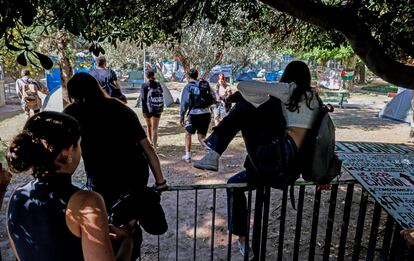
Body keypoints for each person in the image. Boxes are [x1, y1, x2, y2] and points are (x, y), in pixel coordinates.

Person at [193, 61, 319, 256]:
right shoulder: (314, 99)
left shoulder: (289, 89)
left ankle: (214, 151)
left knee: (244, 106)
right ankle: (244, 241)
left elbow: (244, 86)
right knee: (234, 184)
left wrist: (252, 93)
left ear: (288, 76)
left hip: (278, 160)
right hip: (289, 170)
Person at [63, 72, 168, 259]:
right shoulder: (120, 109)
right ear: (97, 87)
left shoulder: (72, 113)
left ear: (72, 93)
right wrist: (160, 182)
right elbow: (148, 148)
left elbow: (62, 150)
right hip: (133, 178)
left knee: (106, 229)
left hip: (101, 181)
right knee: (130, 226)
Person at [6, 111, 133, 260]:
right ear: (67, 152)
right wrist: (127, 241)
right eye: (78, 144)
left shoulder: (17, 195)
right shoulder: (86, 202)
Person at [179, 68, 216, 163]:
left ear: (188, 76)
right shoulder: (204, 84)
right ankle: (211, 151)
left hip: (194, 114)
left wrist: (182, 116)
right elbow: (213, 97)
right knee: (201, 137)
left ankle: (187, 156)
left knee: (188, 133)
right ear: (196, 75)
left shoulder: (188, 86)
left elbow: (184, 103)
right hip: (207, 113)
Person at [141, 69, 164, 148]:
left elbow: (143, 99)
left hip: (147, 109)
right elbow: (161, 93)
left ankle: (150, 141)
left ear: (146, 76)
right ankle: (154, 146)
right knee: (155, 128)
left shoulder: (144, 85)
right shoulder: (158, 84)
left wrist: (144, 111)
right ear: (153, 75)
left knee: (149, 126)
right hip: (157, 107)